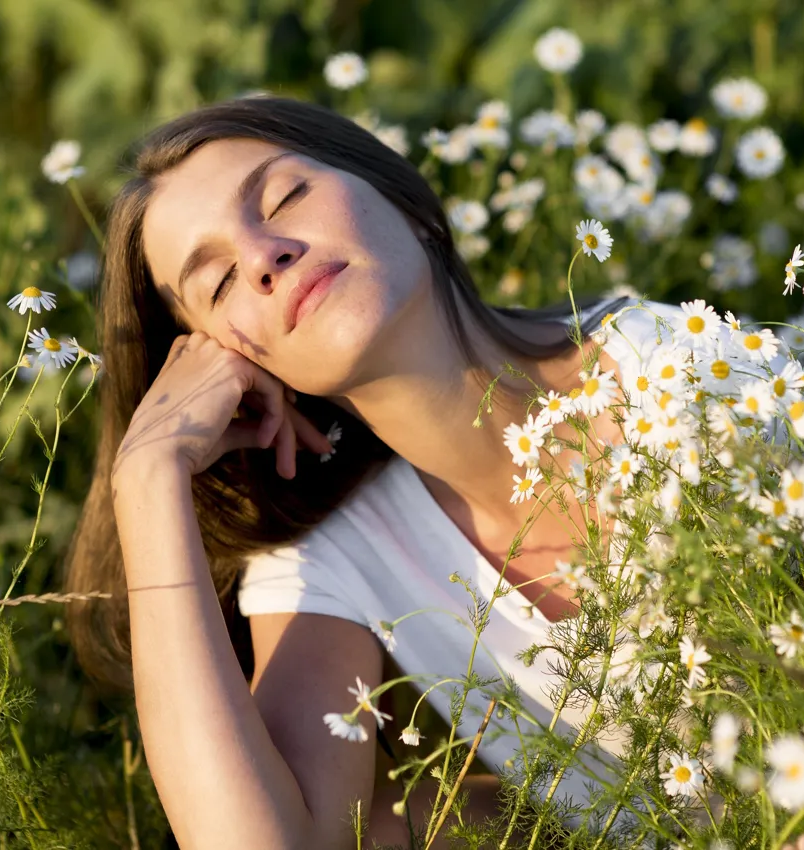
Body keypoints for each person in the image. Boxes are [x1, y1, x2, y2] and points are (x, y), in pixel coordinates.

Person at [63, 95, 675, 848]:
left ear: (401, 197)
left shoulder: (673, 371)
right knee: (392, 826)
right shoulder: (332, 558)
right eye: (218, 283)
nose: (261, 257)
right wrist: (149, 476)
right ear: (233, 368)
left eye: (285, 197)